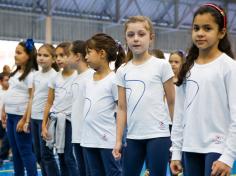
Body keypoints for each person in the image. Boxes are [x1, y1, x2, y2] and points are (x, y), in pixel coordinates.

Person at [170, 3, 236, 176]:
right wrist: (176, 151)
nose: (200, 33)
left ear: (221, 32)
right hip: (190, 147)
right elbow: (179, 114)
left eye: (207, 28)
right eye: (196, 28)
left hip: (218, 148)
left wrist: (228, 156)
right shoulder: (187, 68)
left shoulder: (229, 67)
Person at [112, 16, 175, 176]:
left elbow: (172, 102)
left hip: (158, 134)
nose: (136, 39)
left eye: (141, 34)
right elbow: (121, 108)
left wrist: (177, 136)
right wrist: (118, 140)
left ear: (151, 38)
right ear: (126, 38)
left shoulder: (161, 65)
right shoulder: (122, 71)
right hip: (133, 136)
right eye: (131, 35)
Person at [81, 33, 125, 176]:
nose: (85, 57)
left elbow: (122, 110)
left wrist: (119, 140)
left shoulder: (114, 79)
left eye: (88, 52)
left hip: (107, 140)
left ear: (102, 53)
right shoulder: (87, 78)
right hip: (88, 139)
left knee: (113, 173)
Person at [2, 39, 38, 176]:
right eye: (15, 52)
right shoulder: (15, 73)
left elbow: (31, 98)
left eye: (19, 52)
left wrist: (24, 119)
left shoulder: (31, 74)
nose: (15, 55)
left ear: (28, 55)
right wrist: (3, 110)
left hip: (20, 117)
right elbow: (10, 92)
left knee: (25, 151)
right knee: (15, 151)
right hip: (11, 117)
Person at [42, 42, 78, 176]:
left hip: (70, 122)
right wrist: (44, 125)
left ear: (73, 56)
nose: (58, 59)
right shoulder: (55, 78)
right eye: (56, 56)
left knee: (69, 157)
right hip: (55, 120)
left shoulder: (78, 76)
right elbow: (49, 102)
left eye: (62, 55)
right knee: (61, 157)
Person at [31, 44, 60, 176]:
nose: (41, 58)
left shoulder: (54, 76)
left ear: (53, 59)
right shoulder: (35, 75)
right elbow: (32, 97)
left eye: (46, 55)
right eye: (39, 55)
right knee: (38, 155)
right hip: (34, 118)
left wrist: (46, 123)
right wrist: (27, 119)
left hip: (45, 119)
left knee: (46, 155)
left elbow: (51, 101)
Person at [68, 40, 94, 176]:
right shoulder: (76, 78)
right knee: (82, 171)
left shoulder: (90, 77)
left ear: (77, 56)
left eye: (68, 54)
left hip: (88, 136)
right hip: (77, 134)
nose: (66, 58)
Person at [0, 72, 10, 167]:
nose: (8, 82)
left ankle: (2, 157)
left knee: (6, 140)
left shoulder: (11, 92)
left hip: (8, 120)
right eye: (6, 80)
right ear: (1, 81)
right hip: (0, 121)